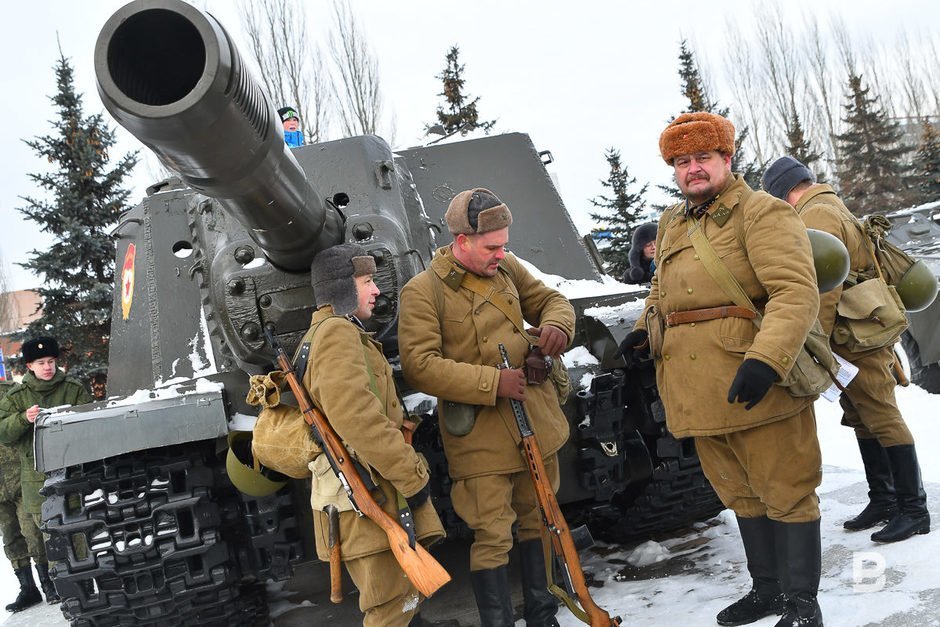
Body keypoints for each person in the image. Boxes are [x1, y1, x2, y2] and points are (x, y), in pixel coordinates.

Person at [618, 113, 824, 627]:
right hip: (695, 388)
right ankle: (768, 590)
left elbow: (794, 293)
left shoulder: (763, 213)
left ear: (726, 160)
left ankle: (802, 605)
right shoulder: (671, 222)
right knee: (738, 491)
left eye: (702, 158)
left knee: (787, 491)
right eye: (682, 162)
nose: (692, 170)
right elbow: (659, 292)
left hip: (755, 378)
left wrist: (765, 360)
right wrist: (646, 329)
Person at [398, 188, 575, 627]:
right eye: (492, 247)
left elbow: (552, 300)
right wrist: (492, 382)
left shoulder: (507, 268)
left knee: (541, 519)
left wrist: (556, 326)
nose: (501, 254)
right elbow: (419, 367)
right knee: (492, 535)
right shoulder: (423, 292)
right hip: (479, 435)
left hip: (535, 418)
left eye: (505, 245)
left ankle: (543, 614)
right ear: (461, 241)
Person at [762, 155, 930, 544]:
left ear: (785, 192)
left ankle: (913, 508)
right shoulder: (830, 205)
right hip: (856, 331)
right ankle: (885, 499)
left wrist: (811, 341)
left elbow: (824, 286)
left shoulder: (816, 215)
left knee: (881, 414)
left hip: (853, 336)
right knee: (861, 413)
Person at [302, 243, 444, 627]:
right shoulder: (335, 334)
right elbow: (357, 418)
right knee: (388, 610)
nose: (377, 290)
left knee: (403, 600)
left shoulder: (336, 331)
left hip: (367, 495)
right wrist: (411, 476)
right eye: (366, 281)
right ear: (342, 289)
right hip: (363, 500)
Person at [0, 337, 92, 606]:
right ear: (30, 366)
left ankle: (85, 585)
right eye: (41, 363)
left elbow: (90, 422)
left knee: (77, 531)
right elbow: (4, 431)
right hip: (34, 479)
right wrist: (23, 419)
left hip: (70, 473)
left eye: (51, 361)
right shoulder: (17, 397)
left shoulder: (72, 389)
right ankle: (61, 590)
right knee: (45, 538)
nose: (47, 367)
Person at [2, 381, 45, 612]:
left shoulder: (11, 392)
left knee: (33, 532)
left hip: (21, 476)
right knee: (10, 537)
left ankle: (49, 583)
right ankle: (28, 588)